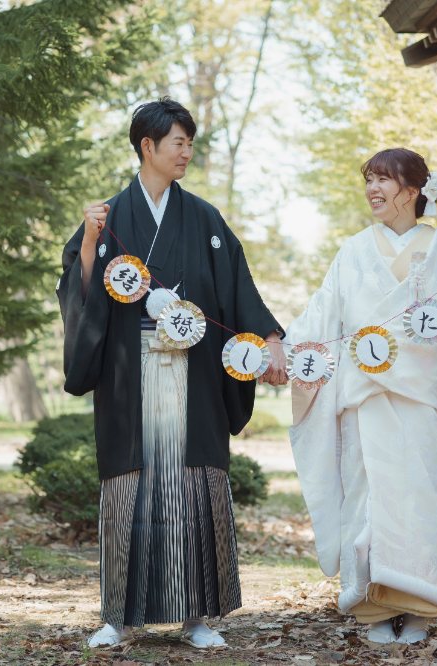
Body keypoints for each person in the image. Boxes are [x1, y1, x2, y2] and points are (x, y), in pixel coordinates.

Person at [57, 98, 289, 649]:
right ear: (147, 147)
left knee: (192, 486)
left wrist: (271, 337)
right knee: (130, 489)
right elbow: (79, 288)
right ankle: (119, 615)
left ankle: (197, 616)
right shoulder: (109, 216)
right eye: (177, 142)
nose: (186, 151)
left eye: (189, 141)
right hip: (129, 375)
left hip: (196, 374)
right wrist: (90, 243)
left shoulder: (205, 218)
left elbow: (238, 291)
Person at [286, 148, 437, 644]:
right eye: (370, 180)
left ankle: (421, 605)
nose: (373, 190)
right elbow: (321, 318)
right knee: (368, 501)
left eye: (385, 180)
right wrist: (286, 353)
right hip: (365, 396)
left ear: (414, 190)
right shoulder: (353, 250)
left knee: (419, 500)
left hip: (420, 399)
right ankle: (374, 608)